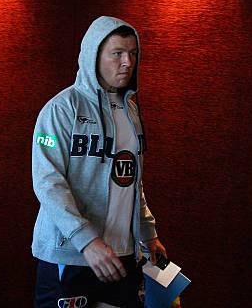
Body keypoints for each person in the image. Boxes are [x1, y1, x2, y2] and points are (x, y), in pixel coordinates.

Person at [32, 16, 166, 307]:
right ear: (94, 54)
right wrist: (87, 241)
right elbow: (48, 183)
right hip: (72, 255)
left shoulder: (131, 112)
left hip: (123, 255)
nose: (127, 62)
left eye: (132, 53)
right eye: (117, 53)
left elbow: (131, 181)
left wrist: (147, 234)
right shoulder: (61, 109)